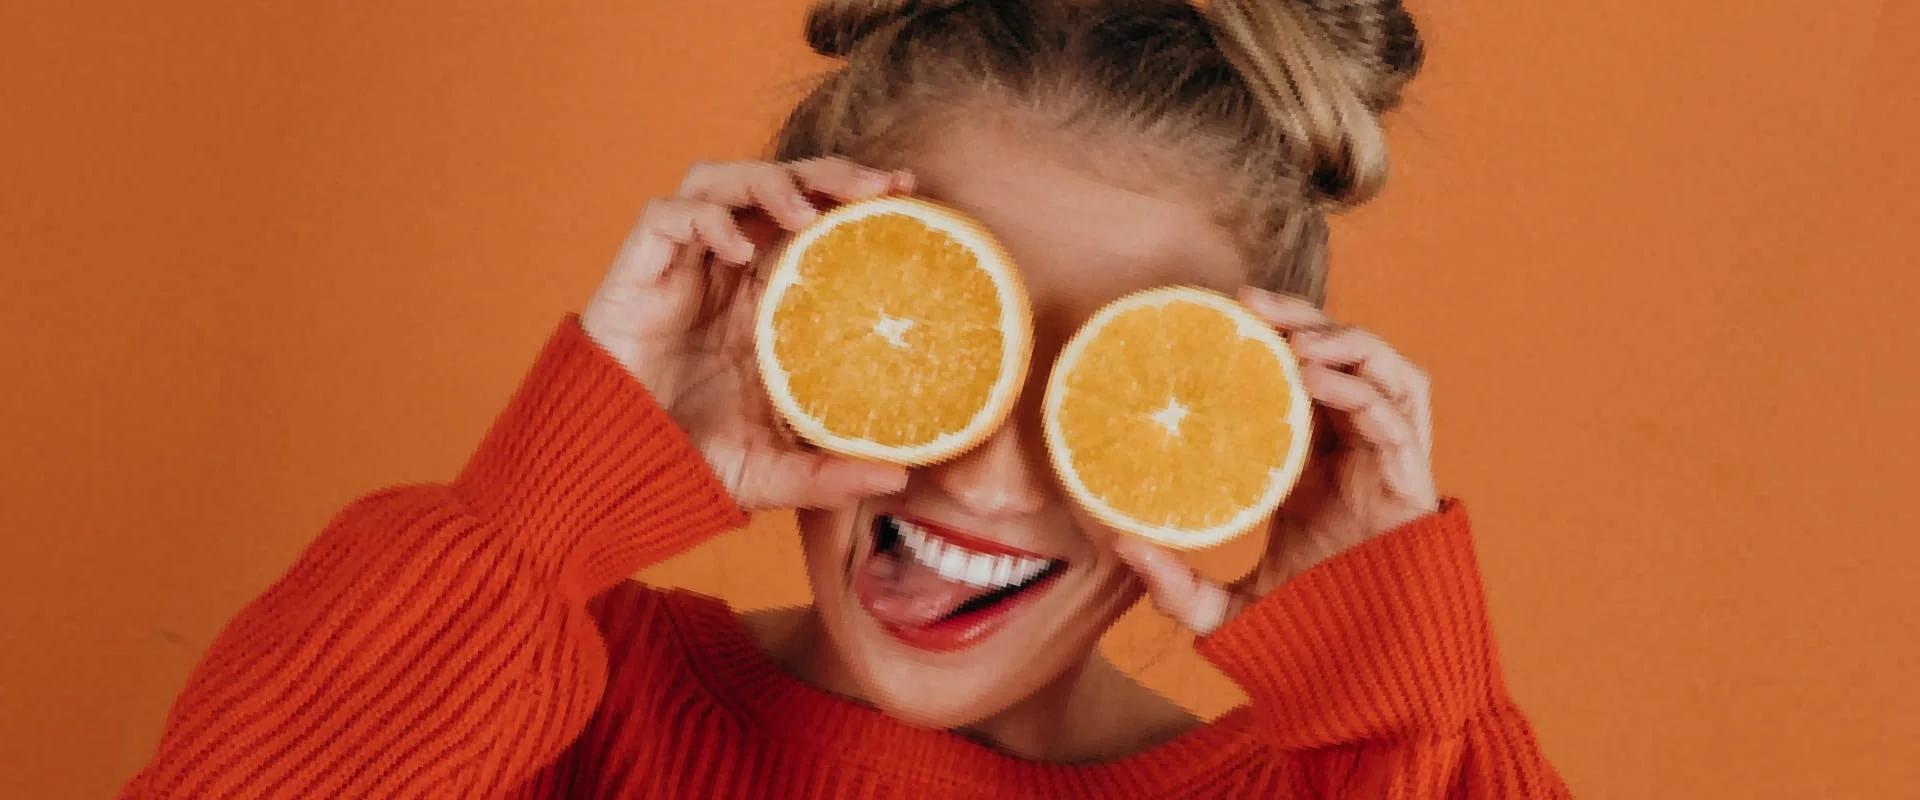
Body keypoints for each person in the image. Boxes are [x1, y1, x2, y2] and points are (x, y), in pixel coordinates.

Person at [121, 1, 1570, 797]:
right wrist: (540, 509)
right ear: (784, 302)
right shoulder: (557, 704)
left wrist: (1402, 711)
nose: (996, 484)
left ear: (1255, 424)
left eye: (1107, 385)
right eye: (938, 334)